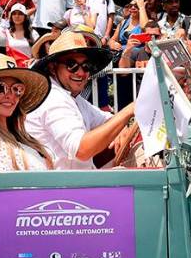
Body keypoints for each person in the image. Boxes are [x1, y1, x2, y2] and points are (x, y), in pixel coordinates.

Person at [25, 32, 136, 170]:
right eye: (72, 65)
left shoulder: (73, 98)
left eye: (86, 66)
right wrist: (128, 111)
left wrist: (122, 128)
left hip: (72, 183)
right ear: (53, 68)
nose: (81, 73)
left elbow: (106, 120)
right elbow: (82, 150)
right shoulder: (53, 98)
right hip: (59, 188)